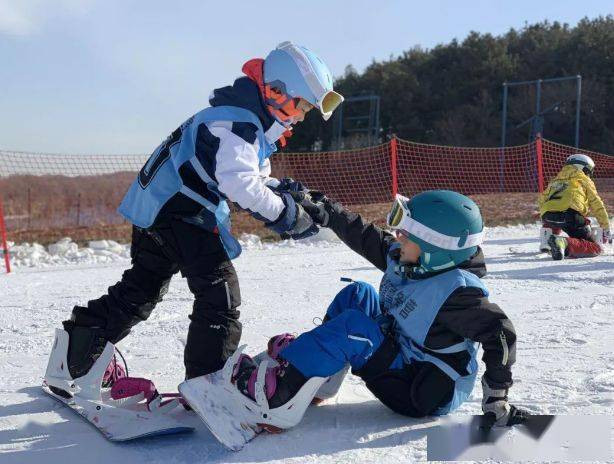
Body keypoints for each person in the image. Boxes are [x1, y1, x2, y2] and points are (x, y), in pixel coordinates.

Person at [46, 41, 344, 393]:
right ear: (276, 90)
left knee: (141, 290)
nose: (301, 115)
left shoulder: (239, 118)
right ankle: (210, 384)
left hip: (159, 209)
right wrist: (288, 216)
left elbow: (251, 176)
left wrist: (283, 191)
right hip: (183, 213)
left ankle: (78, 355)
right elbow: (241, 184)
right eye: (301, 105)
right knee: (220, 295)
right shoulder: (240, 124)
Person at [231, 190, 528, 427]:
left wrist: (496, 398)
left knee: (354, 330)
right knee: (357, 294)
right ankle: (318, 380)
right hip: (402, 353)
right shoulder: (412, 261)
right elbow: (366, 236)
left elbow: (501, 333)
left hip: (420, 390)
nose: (397, 238)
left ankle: (274, 399)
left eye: (406, 234)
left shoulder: (457, 295)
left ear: (435, 249)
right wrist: (326, 209)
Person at [539, 154, 611, 260]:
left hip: (548, 216)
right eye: (588, 171)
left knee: (553, 212)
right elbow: (597, 204)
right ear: (581, 167)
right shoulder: (584, 180)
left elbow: (541, 201)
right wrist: (606, 228)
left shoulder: (555, 181)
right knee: (594, 247)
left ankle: (547, 241)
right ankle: (563, 242)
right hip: (570, 216)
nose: (588, 174)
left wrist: (545, 220)